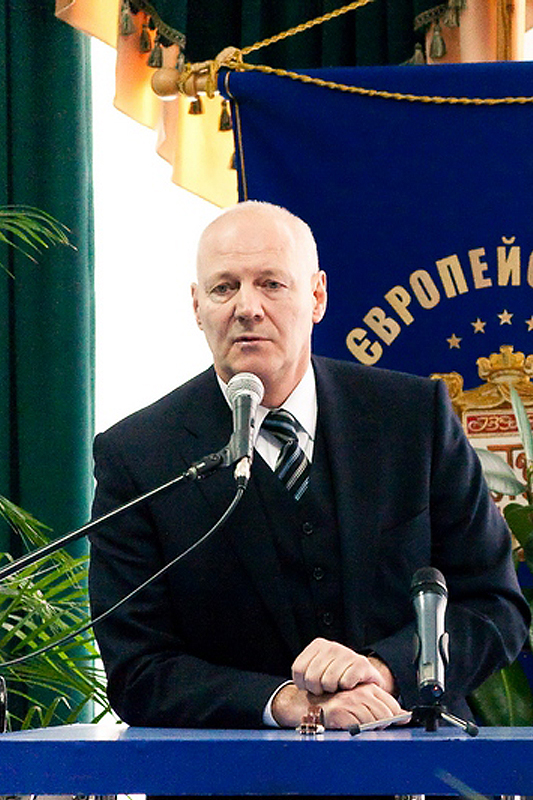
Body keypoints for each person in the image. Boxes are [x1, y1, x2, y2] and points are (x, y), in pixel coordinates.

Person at [89, 200, 529, 731]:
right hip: (233, 771)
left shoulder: (415, 419)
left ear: (317, 296)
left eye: (271, 284)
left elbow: (494, 605)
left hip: (418, 759)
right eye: (224, 287)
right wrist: (286, 703)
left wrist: (382, 671)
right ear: (196, 306)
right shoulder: (138, 456)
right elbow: (137, 669)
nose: (247, 307)